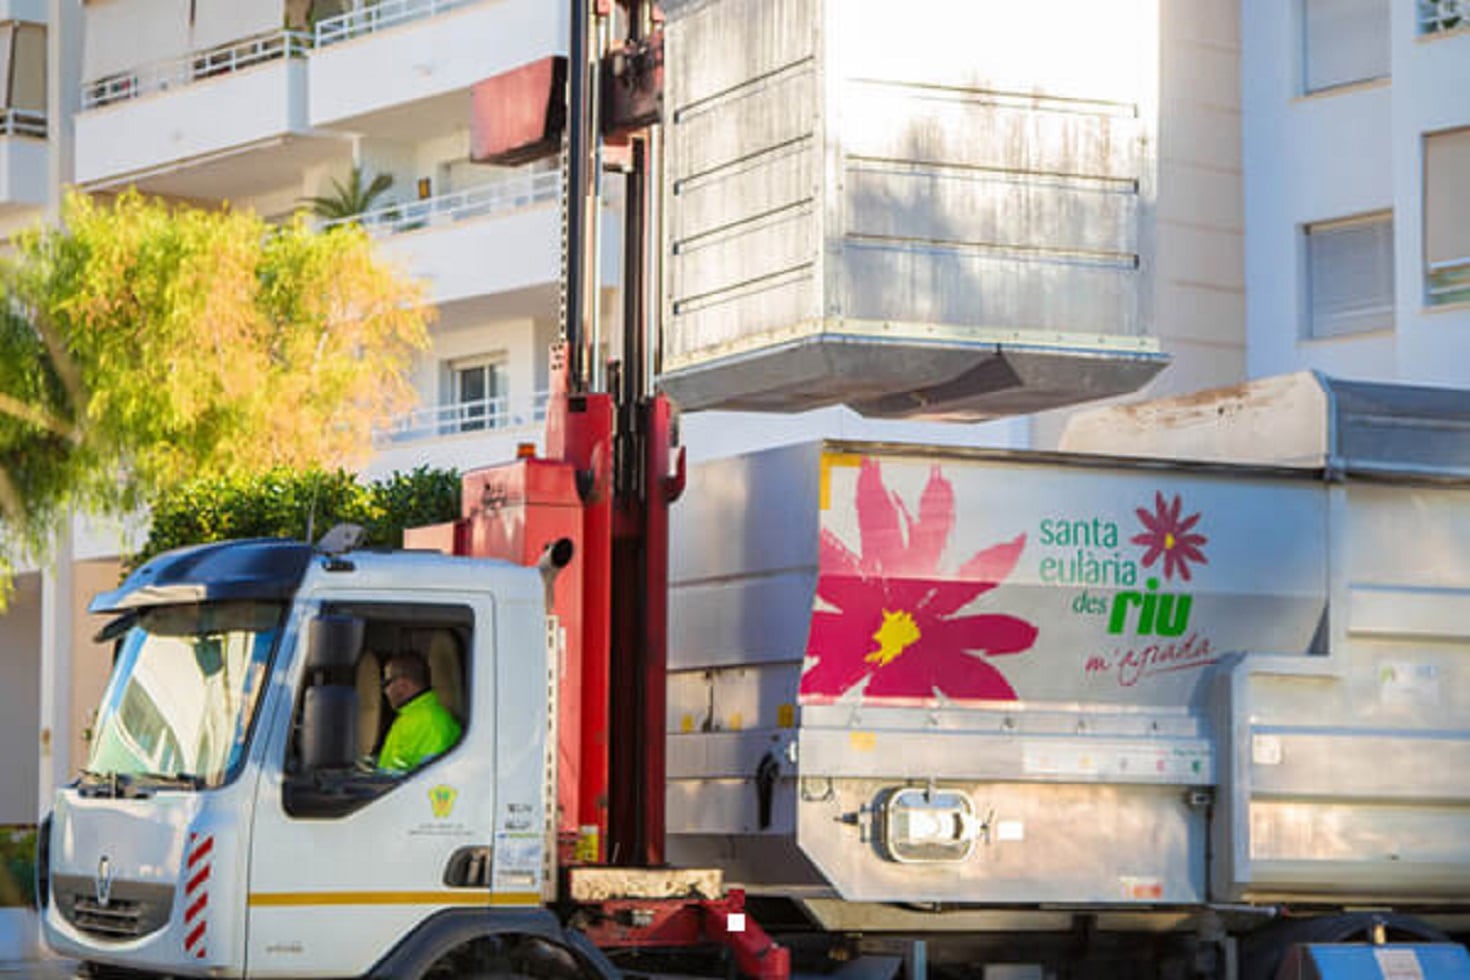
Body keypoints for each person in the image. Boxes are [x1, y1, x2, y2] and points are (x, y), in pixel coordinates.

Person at [377, 651, 462, 773]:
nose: (385, 691)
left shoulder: (430, 722)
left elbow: (430, 775)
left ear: (403, 684)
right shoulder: (411, 717)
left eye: (386, 683)